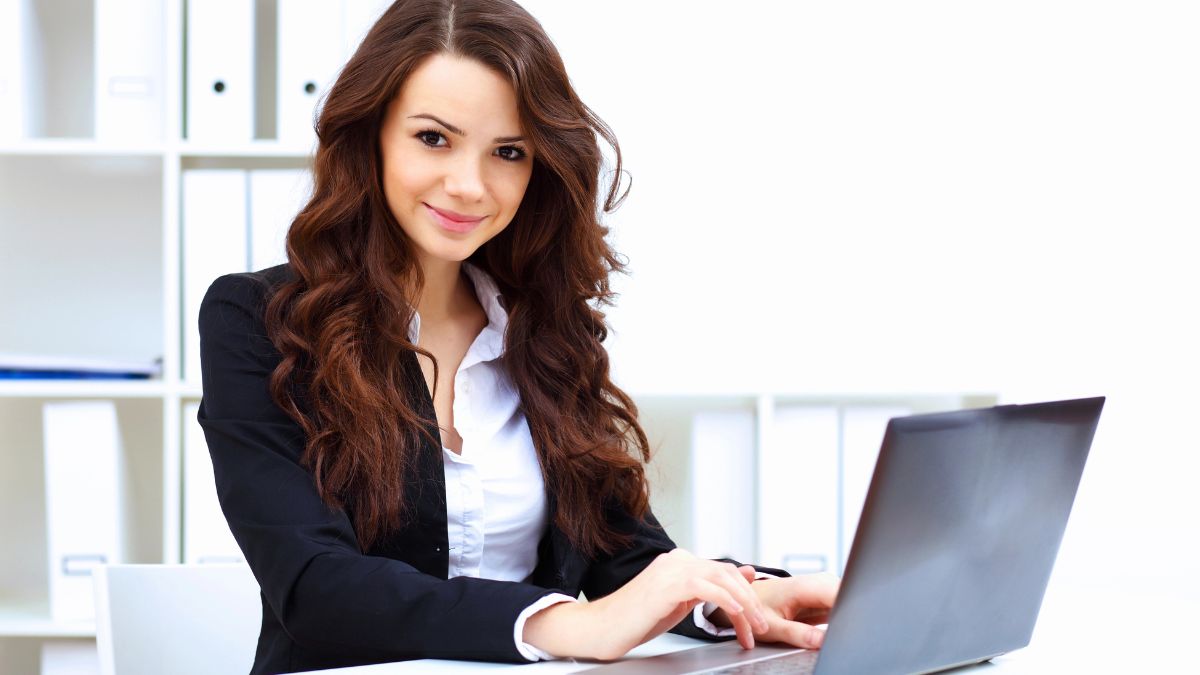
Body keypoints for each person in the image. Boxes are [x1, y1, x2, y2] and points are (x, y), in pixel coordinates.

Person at [198, 1, 838, 672]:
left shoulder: (540, 327)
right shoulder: (259, 319)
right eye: (433, 138)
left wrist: (743, 597)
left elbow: (622, 553)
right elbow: (315, 585)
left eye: (508, 152)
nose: (469, 185)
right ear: (373, 133)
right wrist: (572, 622)